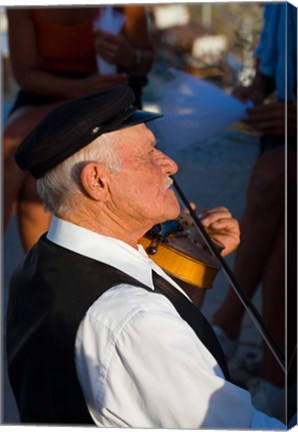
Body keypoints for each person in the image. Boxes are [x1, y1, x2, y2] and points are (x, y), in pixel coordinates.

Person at [6, 85, 285, 429]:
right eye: (150, 153)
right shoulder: (134, 321)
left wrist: (194, 265)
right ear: (97, 181)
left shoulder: (41, 261)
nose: (170, 164)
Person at [4, 6, 153, 251]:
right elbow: (25, 74)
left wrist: (129, 56)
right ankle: (40, 279)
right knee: (14, 150)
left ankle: (41, 280)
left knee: (31, 179)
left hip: (112, 92)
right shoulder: (23, 7)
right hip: (49, 89)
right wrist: (80, 89)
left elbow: (146, 61)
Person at [212, 3, 296, 422]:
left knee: (270, 188)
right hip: (281, 122)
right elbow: (273, 55)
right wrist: (256, 87)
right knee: (279, 231)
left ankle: (230, 317)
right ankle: (276, 374)